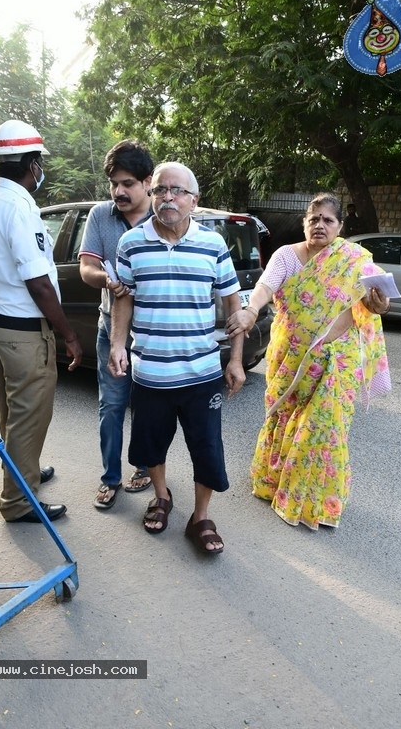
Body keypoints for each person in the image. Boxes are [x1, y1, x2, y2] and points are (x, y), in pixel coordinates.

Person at [225, 192, 391, 531]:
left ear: (339, 226)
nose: (319, 226)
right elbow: (265, 287)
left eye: (328, 220)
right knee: (285, 418)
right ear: (304, 223)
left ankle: (311, 499)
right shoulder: (287, 256)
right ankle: (275, 483)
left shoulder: (354, 260)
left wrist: (379, 306)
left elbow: (378, 301)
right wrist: (251, 310)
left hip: (337, 362)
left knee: (324, 429)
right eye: (313, 219)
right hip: (290, 358)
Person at [108, 162, 246, 554]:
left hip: (202, 373)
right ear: (153, 195)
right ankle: (162, 495)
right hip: (150, 372)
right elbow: (124, 298)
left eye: (178, 191)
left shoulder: (213, 244)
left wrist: (235, 360)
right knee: (151, 445)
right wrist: (118, 344)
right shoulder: (131, 243)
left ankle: (200, 517)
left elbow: (233, 302)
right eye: (161, 190)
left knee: (207, 448)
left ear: (194, 201)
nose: (168, 197)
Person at [0, 119, 82, 523]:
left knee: (11, 414)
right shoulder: (20, 208)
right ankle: (18, 501)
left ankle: (24, 474)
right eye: (39, 163)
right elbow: (39, 284)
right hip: (23, 332)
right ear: (33, 165)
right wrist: (68, 335)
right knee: (29, 417)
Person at [78, 140, 153, 510]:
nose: (119, 191)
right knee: (111, 406)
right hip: (111, 329)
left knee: (149, 407)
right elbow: (87, 267)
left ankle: (144, 467)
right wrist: (105, 280)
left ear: (148, 182)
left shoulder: (164, 216)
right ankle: (110, 477)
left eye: (128, 183)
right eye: (114, 184)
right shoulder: (99, 216)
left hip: (155, 333)